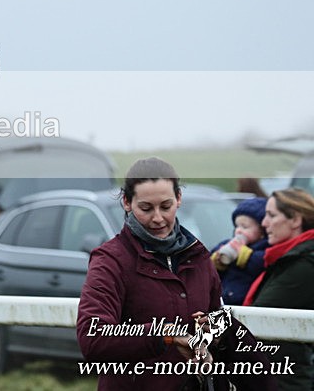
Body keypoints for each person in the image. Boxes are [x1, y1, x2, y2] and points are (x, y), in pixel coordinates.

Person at [76, 157, 273, 390]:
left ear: (179, 199)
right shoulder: (110, 261)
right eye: (146, 208)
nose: (158, 218)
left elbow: (216, 319)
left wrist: (215, 336)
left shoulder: (199, 255)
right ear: (127, 202)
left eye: (166, 206)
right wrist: (164, 333)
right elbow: (93, 338)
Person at [244, 188, 314, 390]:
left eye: (271, 215)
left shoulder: (305, 266)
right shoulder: (290, 258)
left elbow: (256, 317)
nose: (264, 223)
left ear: (295, 220)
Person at [210, 197, 269, 305]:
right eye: (237, 226)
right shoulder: (230, 243)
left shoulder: (264, 247)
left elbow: (262, 262)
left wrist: (245, 255)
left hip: (243, 300)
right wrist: (217, 260)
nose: (239, 230)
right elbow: (208, 259)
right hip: (223, 297)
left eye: (245, 227)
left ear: (262, 231)